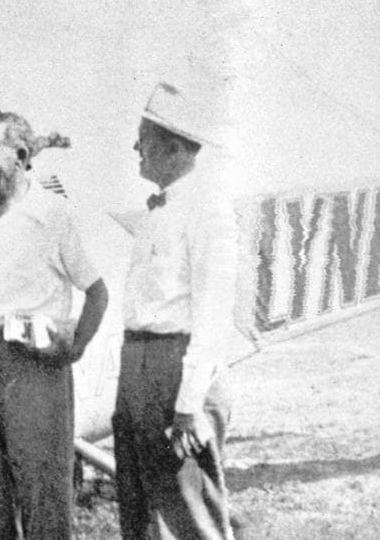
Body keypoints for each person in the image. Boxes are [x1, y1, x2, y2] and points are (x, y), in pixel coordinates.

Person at [0, 107, 108, 539]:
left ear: (19, 155)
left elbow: (97, 293)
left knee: (43, 491)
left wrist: (73, 348)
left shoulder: (54, 213)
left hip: (33, 367)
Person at [113, 81, 239, 539]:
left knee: (193, 514)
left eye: (142, 140)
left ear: (171, 148)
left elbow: (212, 318)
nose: (135, 148)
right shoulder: (155, 213)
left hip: (178, 372)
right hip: (138, 369)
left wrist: (188, 406)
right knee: (139, 508)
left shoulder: (209, 213)